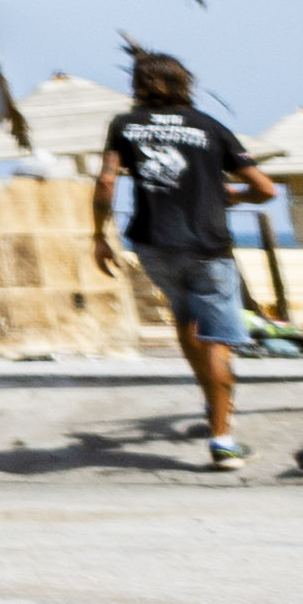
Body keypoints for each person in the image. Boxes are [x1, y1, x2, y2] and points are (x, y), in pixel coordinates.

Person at [106, 51, 276, 472]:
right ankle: (223, 439)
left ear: (140, 85)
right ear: (186, 84)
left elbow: (107, 180)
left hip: (152, 245)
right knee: (217, 340)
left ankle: (210, 398)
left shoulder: (125, 126)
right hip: (207, 247)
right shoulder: (211, 127)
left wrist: (97, 235)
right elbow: (266, 190)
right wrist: (232, 195)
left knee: (184, 318)